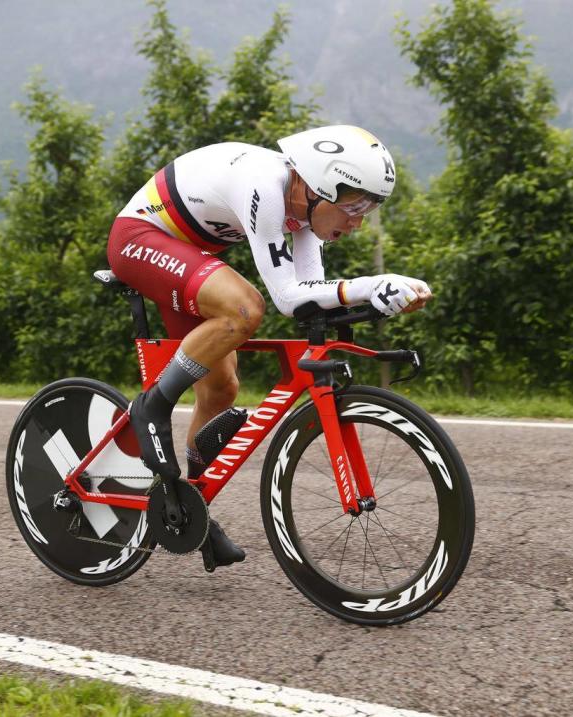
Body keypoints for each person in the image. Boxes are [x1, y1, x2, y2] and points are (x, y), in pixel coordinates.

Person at [106, 125, 432, 568]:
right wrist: (371, 284)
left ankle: (191, 505)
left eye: (371, 208)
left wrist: (378, 300)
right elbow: (285, 298)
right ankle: (153, 405)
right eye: (355, 204)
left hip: (187, 255)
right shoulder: (265, 184)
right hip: (139, 239)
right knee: (244, 310)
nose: (359, 221)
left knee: (220, 391)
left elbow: (311, 293)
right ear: (319, 185)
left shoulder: (304, 214)